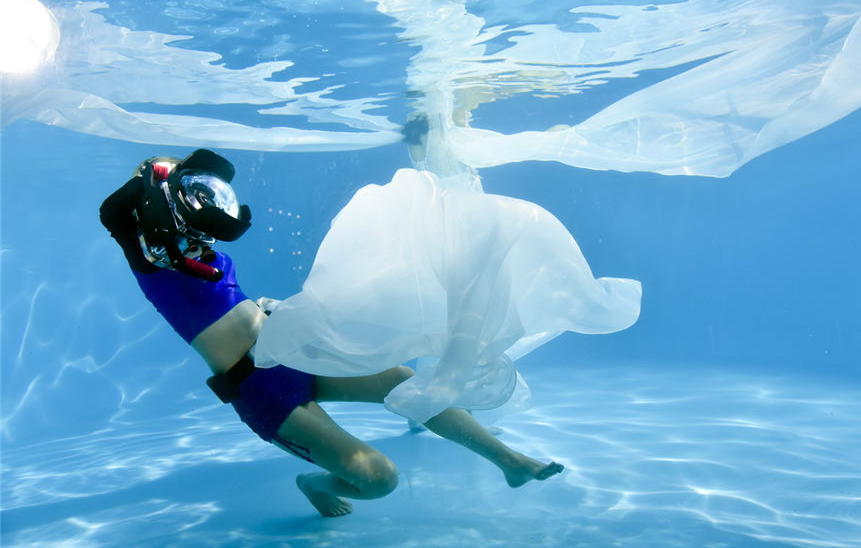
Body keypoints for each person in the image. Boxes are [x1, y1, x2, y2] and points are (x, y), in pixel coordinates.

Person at [99, 148, 564, 517]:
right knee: (379, 478)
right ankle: (315, 484)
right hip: (258, 389)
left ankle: (510, 462)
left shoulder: (199, 243)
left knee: (405, 379)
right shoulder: (152, 261)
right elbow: (114, 212)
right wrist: (149, 178)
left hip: (289, 351)